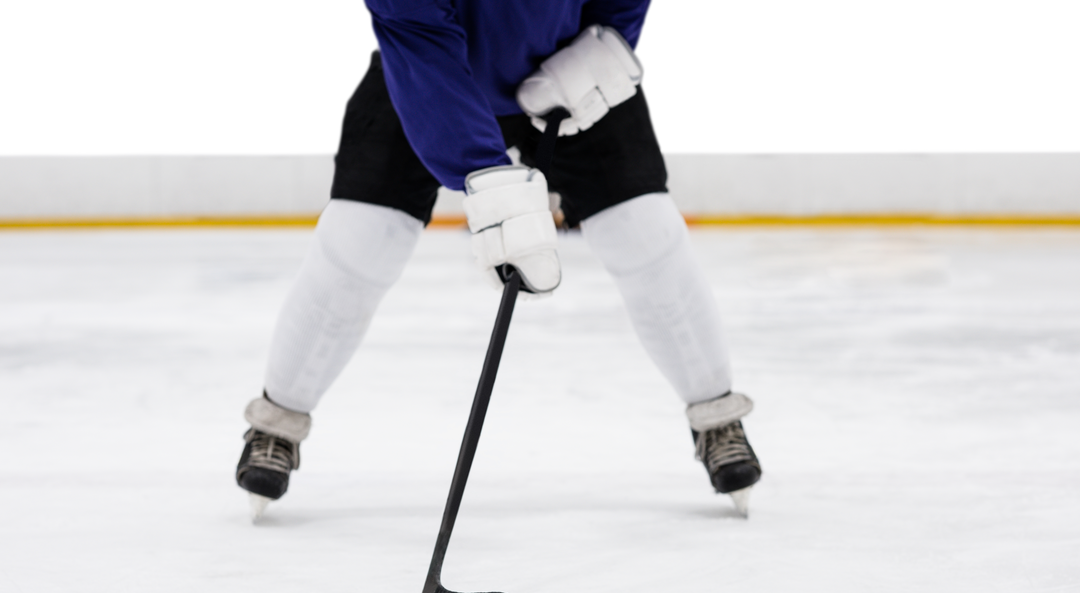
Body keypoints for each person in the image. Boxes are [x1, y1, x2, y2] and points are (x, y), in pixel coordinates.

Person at [235, 1, 762, 521]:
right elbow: (413, 25)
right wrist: (492, 184)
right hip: (430, 74)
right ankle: (276, 422)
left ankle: (717, 417)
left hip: (572, 64)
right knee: (360, 240)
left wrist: (605, 45)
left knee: (647, 234)